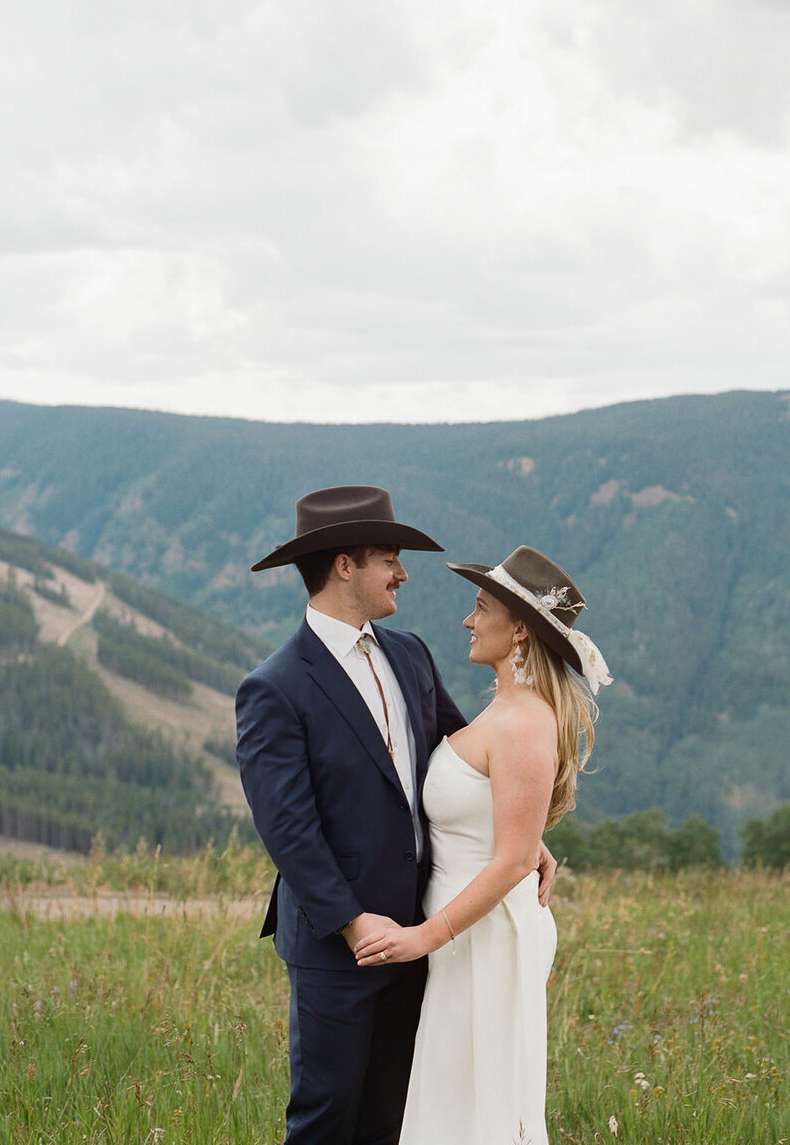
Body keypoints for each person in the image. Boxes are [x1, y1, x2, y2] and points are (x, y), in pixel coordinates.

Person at [235, 486, 556, 1145]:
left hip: (421, 930)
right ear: (344, 564)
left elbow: (463, 756)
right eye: (389, 558)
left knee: (398, 1118)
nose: (403, 573)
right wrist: (355, 927)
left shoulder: (409, 654)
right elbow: (288, 831)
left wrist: (524, 834)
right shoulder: (276, 687)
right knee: (326, 1117)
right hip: (338, 947)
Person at [353, 546, 611, 1145]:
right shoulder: (504, 710)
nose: (468, 622)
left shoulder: (523, 722)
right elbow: (507, 830)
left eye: (479, 608)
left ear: (519, 628)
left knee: (478, 1108)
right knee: (454, 1102)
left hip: (482, 936)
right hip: (468, 936)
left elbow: (516, 858)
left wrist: (424, 936)